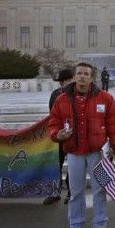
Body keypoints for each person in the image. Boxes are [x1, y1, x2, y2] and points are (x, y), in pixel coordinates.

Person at [48, 63, 115, 228]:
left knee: (99, 190)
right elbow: (54, 123)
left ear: (91, 77)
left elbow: (113, 121)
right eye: (79, 73)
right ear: (74, 77)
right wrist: (57, 134)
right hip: (74, 152)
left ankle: (100, 227)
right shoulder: (62, 99)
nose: (82, 76)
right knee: (75, 192)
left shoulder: (105, 98)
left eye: (86, 74)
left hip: (98, 152)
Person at [42, 68, 74, 206]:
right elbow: (53, 114)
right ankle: (54, 192)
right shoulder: (55, 94)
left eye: (67, 80)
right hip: (59, 135)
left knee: (73, 165)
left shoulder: (78, 93)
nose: (65, 83)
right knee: (56, 165)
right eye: (63, 81)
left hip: (73, 135)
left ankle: (71, 192)